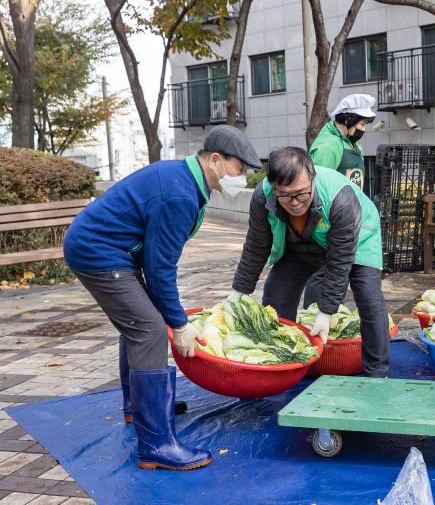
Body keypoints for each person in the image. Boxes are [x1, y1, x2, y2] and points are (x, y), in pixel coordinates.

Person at [63, 125, 262, 471]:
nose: (241, 178)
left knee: (142, 322)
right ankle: (155, 444)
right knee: (150, 330)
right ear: (215, 160)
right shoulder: (181, 195)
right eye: (239, 168)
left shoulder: (186, 181)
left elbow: (157, 262)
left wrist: (166, 309)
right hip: (98, 252)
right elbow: (160, 267)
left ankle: (138, 409)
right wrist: (179, 323)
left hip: (112, 250)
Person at [231, 147, 390, 377]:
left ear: (312, 178)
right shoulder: (262, 197)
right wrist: (239, 292)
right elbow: (256, 245)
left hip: (359, 237)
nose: (295, 203)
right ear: (273, 186)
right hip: (304, 239)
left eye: (301, 194)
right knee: (277, 292)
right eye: (285, 195)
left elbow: (340, 262)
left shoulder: (340, 198)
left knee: (368, 296)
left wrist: (326, 312)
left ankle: (378, 372)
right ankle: (284, 362)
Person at [309, 94, 376, 190]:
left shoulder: (354, 144)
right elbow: (319, 187)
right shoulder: (328, 145)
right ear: (347, 121)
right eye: (361, 124)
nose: (363, 129)